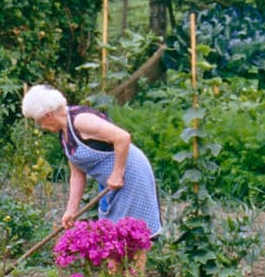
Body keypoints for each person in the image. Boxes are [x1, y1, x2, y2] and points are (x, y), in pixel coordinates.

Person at [20, 84, 163, 237]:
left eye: (39, 121)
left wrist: (117, 174)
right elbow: (77, 175)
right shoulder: (65, 135)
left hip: (131, 175)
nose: (41, 126)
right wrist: (71, 210)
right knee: (111, 239)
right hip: (112, 184)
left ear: (48, 115)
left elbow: (122, 137)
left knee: (131, 239)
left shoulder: (81, 121)